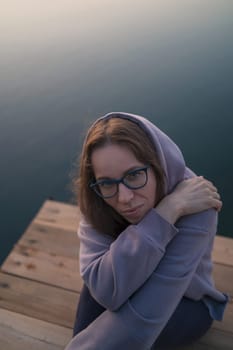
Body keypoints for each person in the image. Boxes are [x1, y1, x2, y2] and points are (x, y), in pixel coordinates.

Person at [65, 112, 228, 350]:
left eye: (134, 175)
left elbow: (145, 315)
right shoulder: (99, 197)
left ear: (157, 164)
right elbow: (104, 291)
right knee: (96, 280)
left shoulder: (197, 206)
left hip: (186, 300)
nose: (125, 198)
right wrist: (165, 212)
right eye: (107, 182)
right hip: (127, 278)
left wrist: (168, 214)